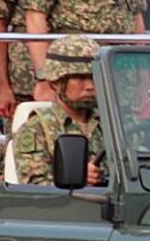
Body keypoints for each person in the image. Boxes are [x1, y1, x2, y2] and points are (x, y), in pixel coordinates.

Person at [14, 35, 105, 186]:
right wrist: (75, 178)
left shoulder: (110, 124)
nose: (90, 86)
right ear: (56, 82)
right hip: (65, 207)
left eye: (94, 77)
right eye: (80, 78)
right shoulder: (36, 130)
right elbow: (35, 188)